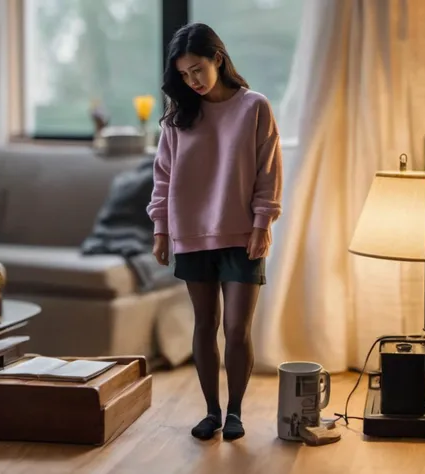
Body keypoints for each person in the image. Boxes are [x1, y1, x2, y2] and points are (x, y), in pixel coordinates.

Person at [147, 23, 283, 441]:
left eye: (197, 70)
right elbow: (163, 178)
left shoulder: (254, 107)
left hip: (243, 235)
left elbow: (269, 173)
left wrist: (262, 224)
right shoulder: (177, 117)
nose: (192, 81)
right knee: (205, 325)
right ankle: (211, 412)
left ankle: (237, 413)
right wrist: (161, 231)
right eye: (184, 76)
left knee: (237, 328)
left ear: (218, 60)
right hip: (191, 235)